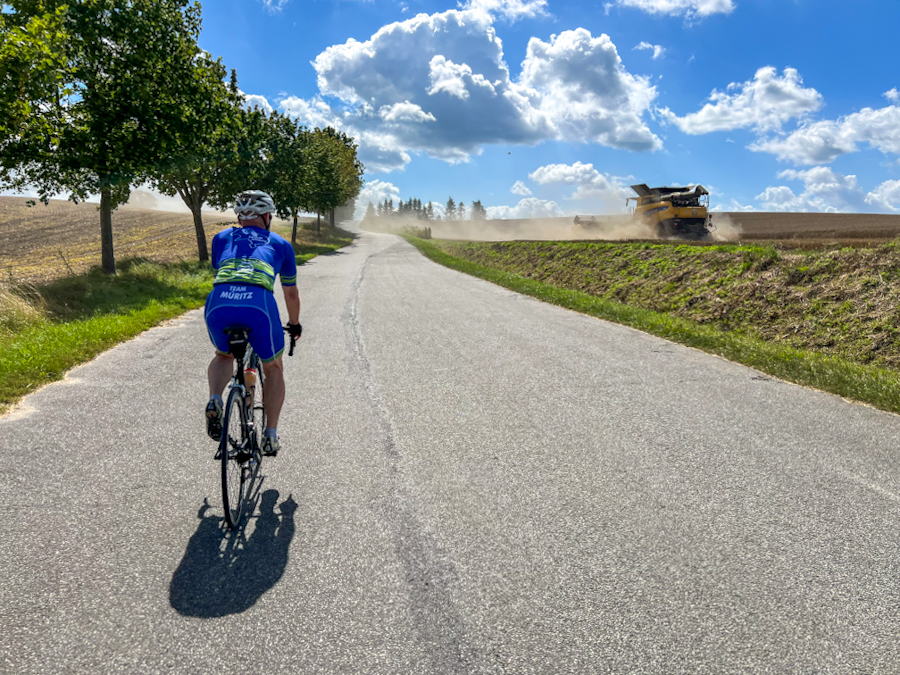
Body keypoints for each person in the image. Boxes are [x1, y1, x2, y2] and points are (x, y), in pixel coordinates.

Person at [203, 190, 303, 457]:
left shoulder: (221, 237)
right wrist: (294, 324)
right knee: (273, 368)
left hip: (219, 301)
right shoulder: (281, 244)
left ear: (239, 216)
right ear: (267, 215)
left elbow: (222, 268)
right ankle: (270, 435)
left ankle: (215, 398)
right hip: (258, 304)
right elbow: (290, 293)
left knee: (223, 355)